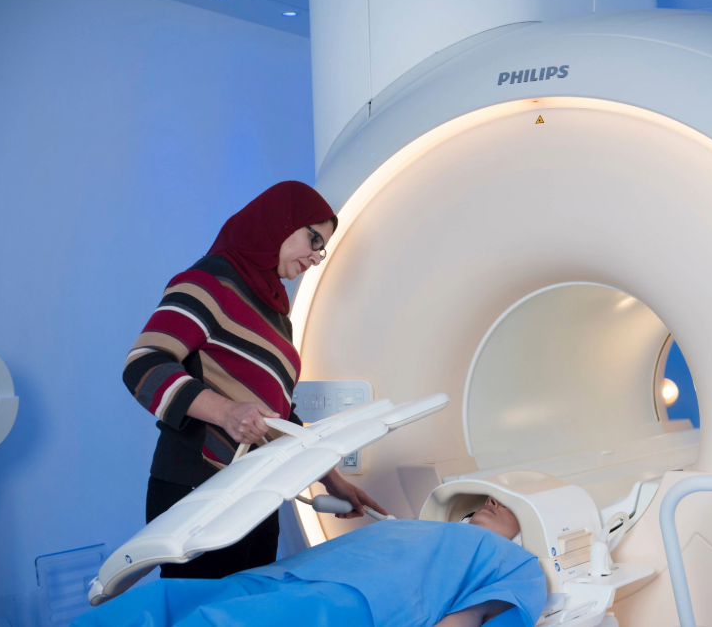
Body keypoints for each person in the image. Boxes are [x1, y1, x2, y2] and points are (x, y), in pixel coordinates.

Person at [122, 180, 386, 579]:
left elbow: (280, 415)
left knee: (252, 609)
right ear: (279, 223)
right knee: (207, 614)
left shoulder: (277, 314)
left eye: (321, 248)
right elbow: (143, 364)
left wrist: (330, 479)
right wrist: (226, 412)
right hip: (200, 485)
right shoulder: (208, 282)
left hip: (257, 490)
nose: (316, 257)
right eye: (313, 239)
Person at [74, 497, 546, 627]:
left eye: (507, 504)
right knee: (167, 596)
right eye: (488, 496)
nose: (491, 500)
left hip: (352, 603)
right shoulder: (416, 523)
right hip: (288, 575)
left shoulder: (514, 563)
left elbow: (466, 619)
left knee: (222, 621)